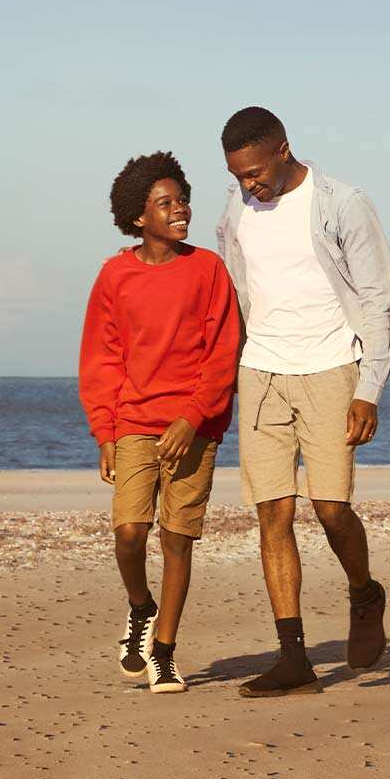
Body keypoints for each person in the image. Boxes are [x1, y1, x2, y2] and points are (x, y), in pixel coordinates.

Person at [214, 106, 390, 695]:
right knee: (273, 512)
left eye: (256, 173)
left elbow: (377, 298)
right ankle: (293, 657)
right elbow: (237, 292)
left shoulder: (342, 203)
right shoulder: (236, 210)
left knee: (331, 509)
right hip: (262, 372)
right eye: (239, 176)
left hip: (330, 370)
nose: (249, 185)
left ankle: (365, 595)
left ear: (284, 150)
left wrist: (368, 390)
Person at [77, 152, 242, 695]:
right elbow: (101, 359)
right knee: (129, 533)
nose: (180, 210)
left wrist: (192, 419)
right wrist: (104, 432)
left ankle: (165, 652)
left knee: (176, 540)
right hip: (133, 424)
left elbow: (223, 352)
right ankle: (140, 608)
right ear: (138, 216)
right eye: (165, 203)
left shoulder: (208, 269)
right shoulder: (114, 275)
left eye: (181, 200)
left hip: (194, 428)